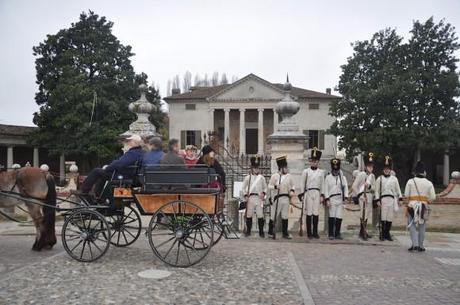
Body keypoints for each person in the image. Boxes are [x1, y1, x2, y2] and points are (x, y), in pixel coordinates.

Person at [79, 134, 144, 197]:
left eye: (129, 141)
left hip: (122, 176)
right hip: (125, 174)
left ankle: (84, 191)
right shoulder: (138, 152)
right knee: (102, 174)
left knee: (96, 171)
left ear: (134, 142)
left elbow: (119, 163)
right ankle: (98, 196)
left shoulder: (132, 153)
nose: (127, 143)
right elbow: (120, 163)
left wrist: (107, 168)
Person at [404, 161, 436, 252]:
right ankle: (421, 246)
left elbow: (406, 195)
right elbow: (433, 197)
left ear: (415, 172)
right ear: (424, 172)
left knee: (412, 225)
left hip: (412, 206)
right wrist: (427, 201)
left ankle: (415, 245)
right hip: (424, 206)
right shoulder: (429, 183)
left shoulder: (410, 181)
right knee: (422, 226)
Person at [374, 155, 402, 241]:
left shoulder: (394, 179)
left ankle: (387, 233)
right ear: (383, 170)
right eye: (385, 169)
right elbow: (376, 191)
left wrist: (400, 199)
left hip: (391, 200)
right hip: (383, 200)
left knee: (390, 218)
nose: (386, 171)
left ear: (390, 170)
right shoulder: (379, 179)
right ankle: (382, 233)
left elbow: (398, 190)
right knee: (383, 217)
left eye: (388, 169)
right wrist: (377, 200)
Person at [299, 147, 325, 239]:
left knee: (316, 213)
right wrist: (302, 194)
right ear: (310, 161)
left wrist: (322, 195)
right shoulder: (305, 171)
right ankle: (309, 233)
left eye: (316, 161)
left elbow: (323, 184)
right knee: (309, 213)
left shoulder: (321, 172)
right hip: (308, 192)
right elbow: (302, 183)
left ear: (318, 162)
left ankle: (315, 232)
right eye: (312, 161)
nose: (314, 162)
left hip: (317, 192)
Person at [268, 156, 295, 239]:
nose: (287, 169)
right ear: (281, 168)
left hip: (286, 198)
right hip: (277, 198)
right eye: (285, 167)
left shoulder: (289, 176)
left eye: (287, 167)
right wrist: (275, 187)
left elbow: (293, 185)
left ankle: (285, 233)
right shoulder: (275, 176)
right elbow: (269, 186)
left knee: (285, 216)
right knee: (273, 216)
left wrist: (292, 191)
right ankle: (270, 232)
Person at [242, 156, 268, 237]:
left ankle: (261, 232)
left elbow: (265, 187)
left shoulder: (262, 178)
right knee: (249, 215)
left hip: (259, 198)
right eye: (255, 168)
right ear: (252, 168)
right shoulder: (247, 178)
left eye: (257, 168)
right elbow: (243, 188)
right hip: (250, 198)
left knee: (260, 215)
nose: (256, 169)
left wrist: (264, 193)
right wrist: (245, 195)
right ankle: (248, 231)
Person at [352, 152, 376, 240]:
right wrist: (359, 195)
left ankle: (363, 232)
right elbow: (354, 186)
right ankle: (363, 233)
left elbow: (374, 188)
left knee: (367, 215)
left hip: (369, 197)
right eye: (369, 166)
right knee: (363, 214)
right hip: (362, 197)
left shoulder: (372, 176)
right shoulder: (361, 174)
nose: (370, 168)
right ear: (366, 167)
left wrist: (369, 186)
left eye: (372, 166)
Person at [324, 158, 348, 240]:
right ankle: (331, 233)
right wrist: (327, 199)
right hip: (332, 199)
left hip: (340, 199)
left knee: (339, 217)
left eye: (337, 169)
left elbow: (346, 188)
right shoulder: (328, 177)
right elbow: (326, 189)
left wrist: (346, 198)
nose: (335, 171)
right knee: (331, 216)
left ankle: (337, 233)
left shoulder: (342, 178)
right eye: (334, 169)